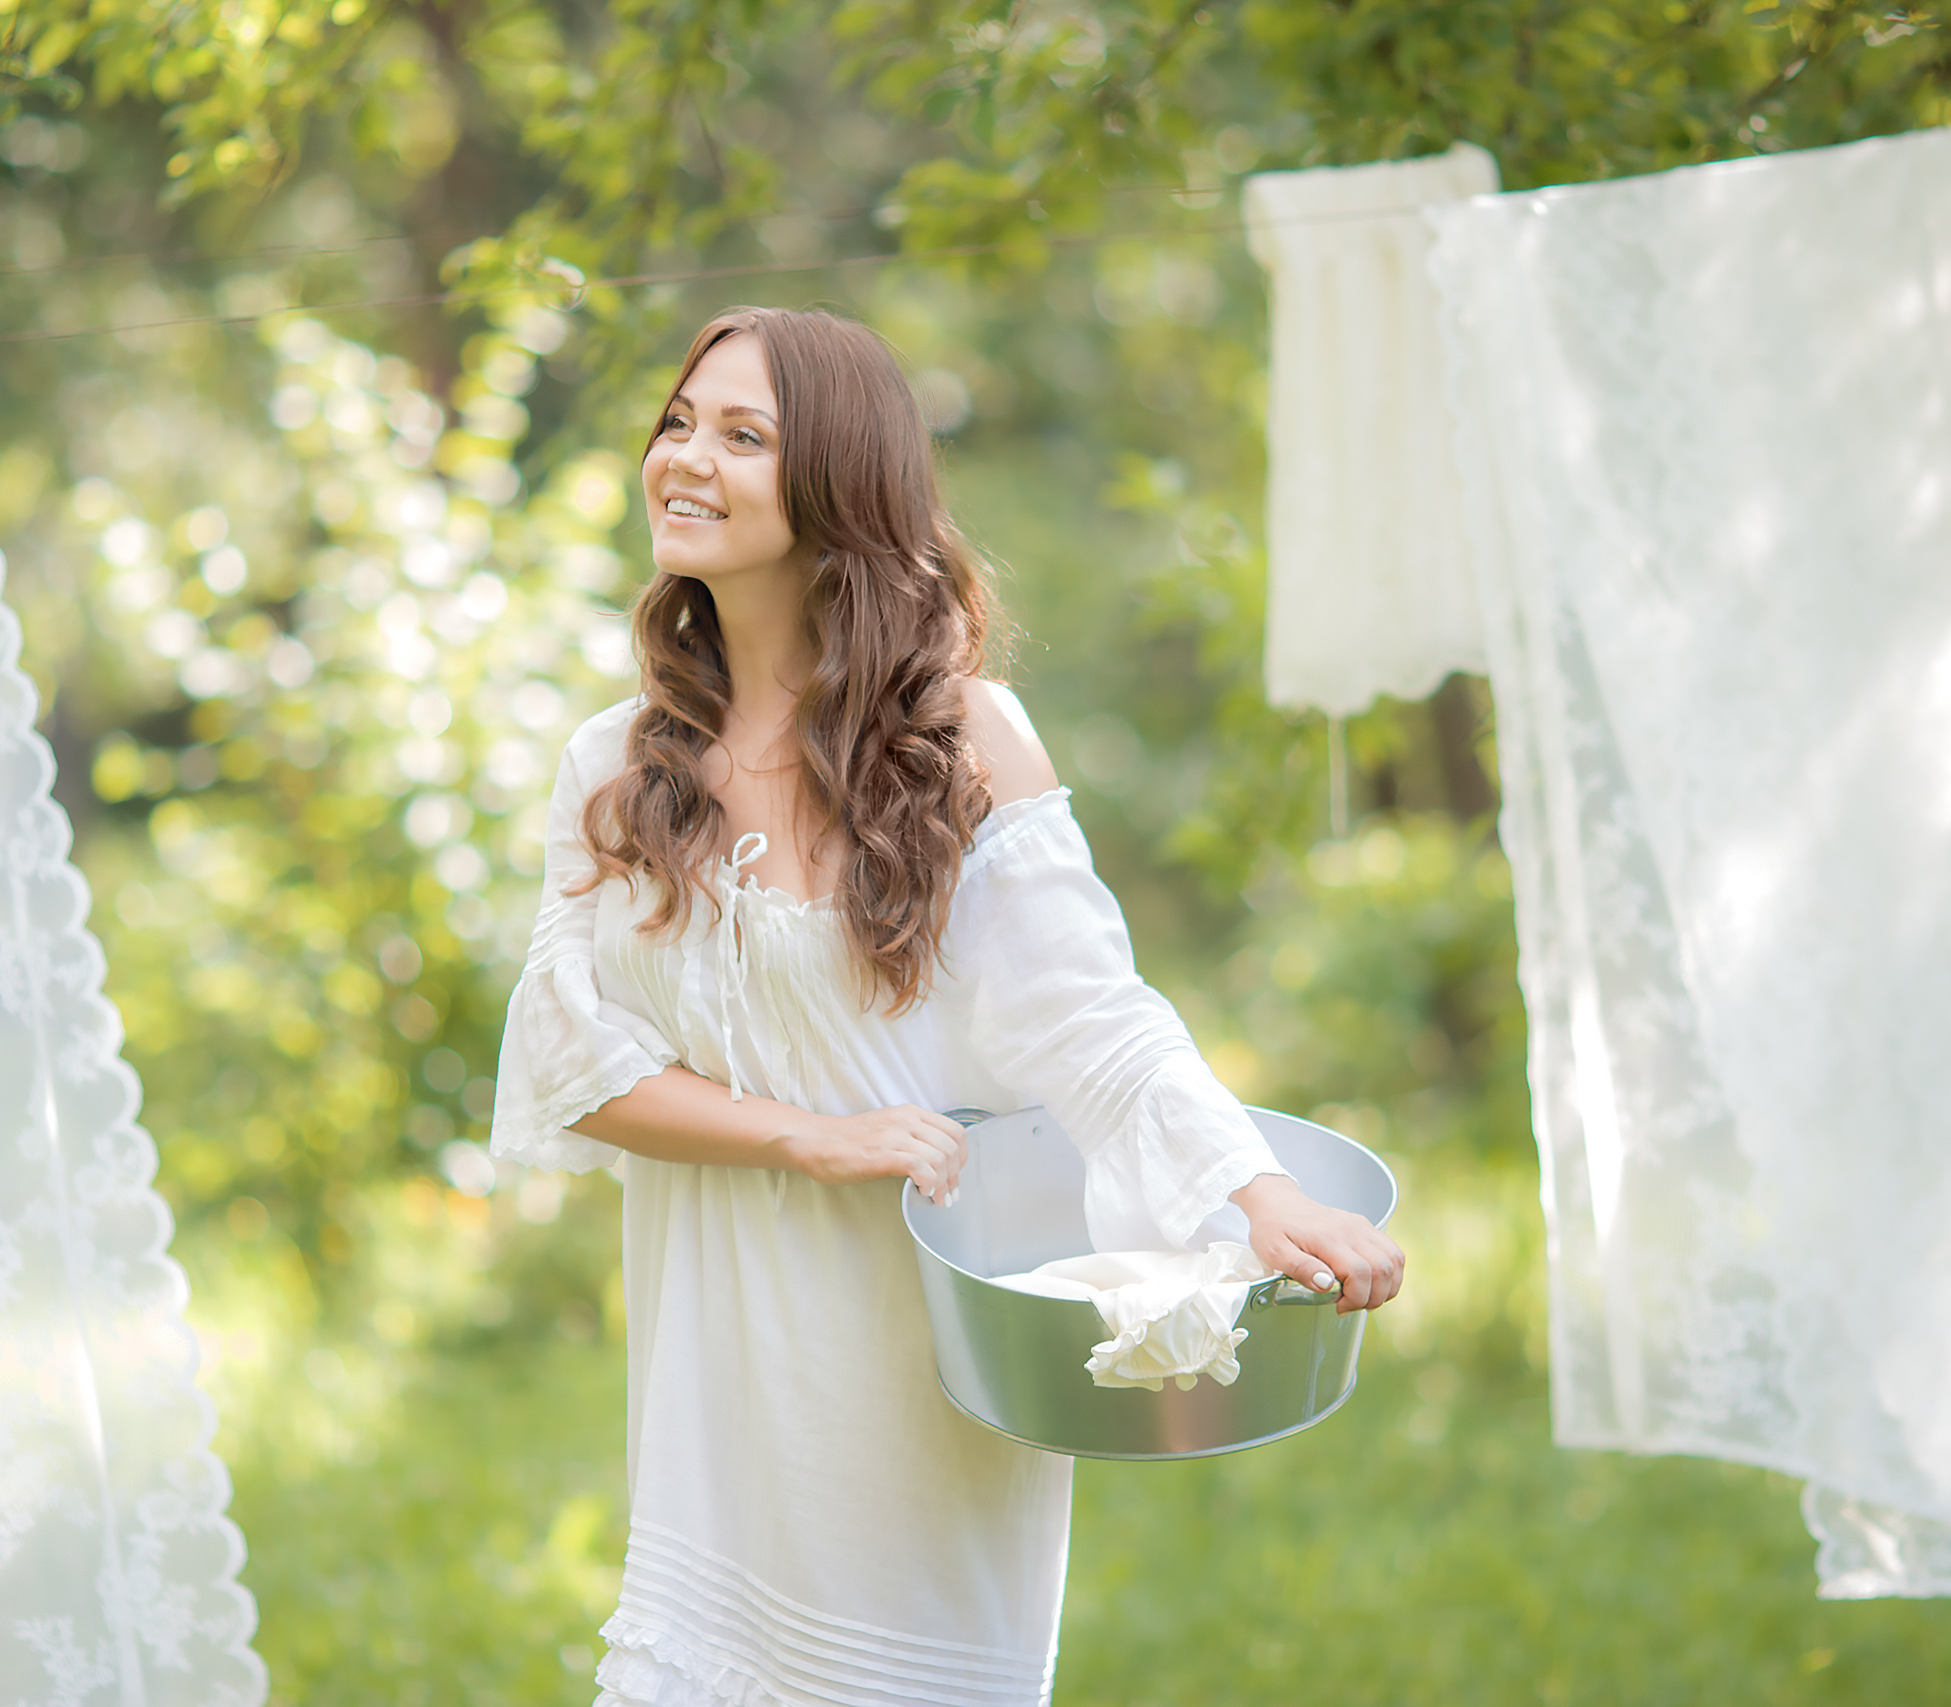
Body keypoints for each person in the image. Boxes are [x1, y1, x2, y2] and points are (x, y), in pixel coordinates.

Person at [491, 305, 1404, 1707]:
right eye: (679, 422)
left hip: (917, 1376)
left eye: (743, 435)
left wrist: (1259, 1192)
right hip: (719, 1384)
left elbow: (1091, 1021)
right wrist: (809, 1137)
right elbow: (574, 1068)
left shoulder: (964, 739)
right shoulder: (614, 766)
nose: (686, 457)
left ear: (837, 484)